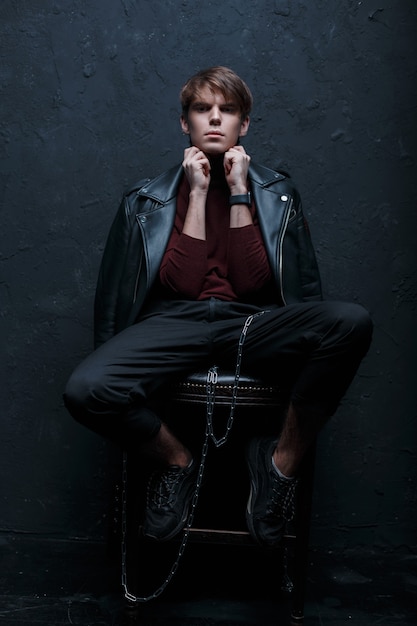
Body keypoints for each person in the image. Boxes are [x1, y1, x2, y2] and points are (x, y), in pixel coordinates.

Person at [64, 66, 373, 549]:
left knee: (350, 321)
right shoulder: (143, 201)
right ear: (184, 122)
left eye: (227, 110)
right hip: (172, 323)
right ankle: (176, 462)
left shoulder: (278, 194)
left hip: (251, 325)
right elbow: (179, 285)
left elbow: (255, 283)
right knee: (85, 390)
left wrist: (238, 192)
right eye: (202, 109)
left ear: (244, 125)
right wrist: (200, 192)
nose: (214, 119)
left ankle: (278, 466)